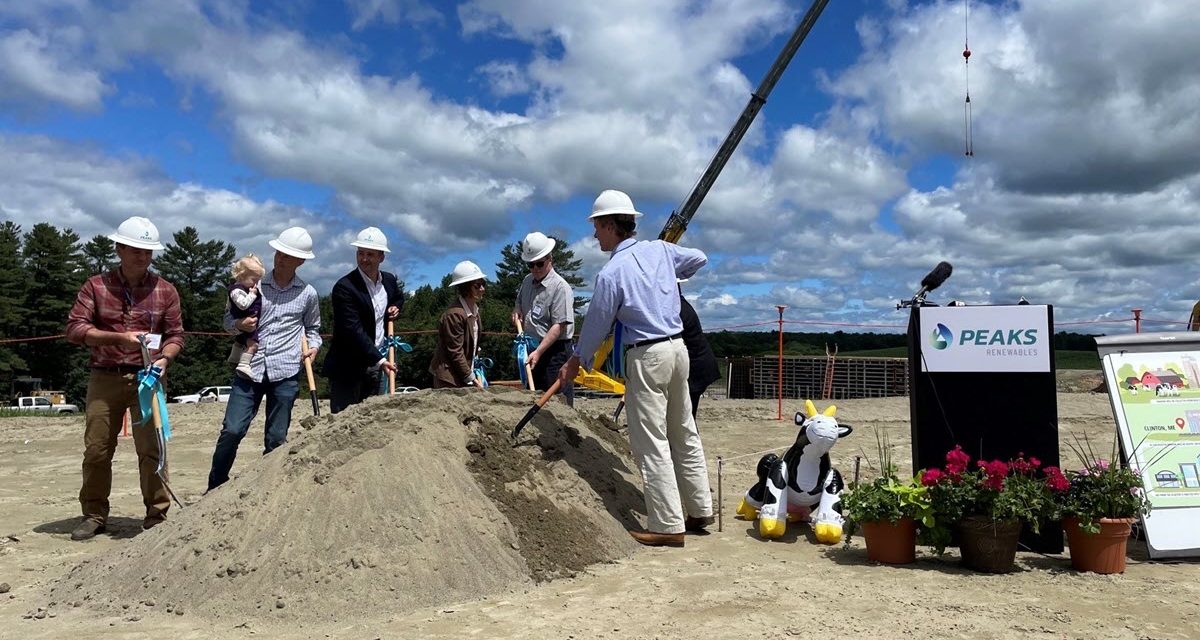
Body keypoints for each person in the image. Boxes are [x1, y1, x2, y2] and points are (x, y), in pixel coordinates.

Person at [558, 189, 713, 547]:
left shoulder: (612, 273)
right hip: (678, 349)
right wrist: (668, 276)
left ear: (611, 226)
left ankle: (668, 524)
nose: (595, 234)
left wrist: (576, 359)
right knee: (683, 430)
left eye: (597, 226)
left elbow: (597, 324)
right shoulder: (659, 251)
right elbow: (699, 259)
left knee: (651, 440)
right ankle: (699, 508)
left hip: (647, 355)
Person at [64, 216, 184, 541]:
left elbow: (175, 336)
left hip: (149, 378)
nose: (143, 257)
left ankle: (156, 516)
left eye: (148, 252)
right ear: (119, 248)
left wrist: (165, 359)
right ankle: (93, 515)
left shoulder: (166, 291)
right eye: (136, 250)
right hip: (104, 377)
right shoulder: (95, 286)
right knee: (97, 449)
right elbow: (75, 329)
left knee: (152, 449)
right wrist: (117, 339)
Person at [206, 227, 322, 491]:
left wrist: (313, 347)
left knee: (276, 438)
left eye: (288, 256)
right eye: (279, 253)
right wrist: (239, 324)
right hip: (249, 369)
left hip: (286, 372)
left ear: (300, 261)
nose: (280, 259)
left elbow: (313, 329)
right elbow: (227, 322)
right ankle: (214, 487)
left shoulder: (308, 294)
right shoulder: (251, 284)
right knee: (232, 431)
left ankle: (267, 493)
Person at [322, 227, 403, 413]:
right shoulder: (345, 287)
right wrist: (381, 360)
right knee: (343, 419)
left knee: (371, 420)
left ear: (381, 257)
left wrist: (396, 307)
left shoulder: (389, 281)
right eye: (360, 253)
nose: (364, 259)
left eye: (370, 254)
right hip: (348, 367)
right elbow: (352, 330)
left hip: (377, 363)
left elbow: (398, 297)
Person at [512, 231, 575, 406]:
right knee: (534, 398)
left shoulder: (560, 288)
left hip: (555, 353)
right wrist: (517, 309)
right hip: (532, 349)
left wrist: (539, 352)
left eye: (539, 264)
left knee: (557, 402)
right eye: (530, 265)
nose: (535, 269)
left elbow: (559, 326)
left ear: (550, 259)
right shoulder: (527, 281)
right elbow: (518, 301)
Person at [430, 261, 486, 389]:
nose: (482, 289)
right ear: (465, 288)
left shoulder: (475, 311)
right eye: (477, 286)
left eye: (483, 284)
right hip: (449, 379)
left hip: (463, 375)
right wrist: (472, 379)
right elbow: (455, 352)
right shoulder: (454, 315)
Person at [679, 289, 719, 418]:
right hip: (697, 364)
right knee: (685, 416)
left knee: (686, 416)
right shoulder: (680, 304)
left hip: (695, 368)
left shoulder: (676, 307)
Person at [228, 253, 265, 378]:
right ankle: (244, 364)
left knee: (239, 340)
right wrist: (253, 295)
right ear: (242, 276)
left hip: (248, 321)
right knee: (253, 344)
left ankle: (234, 358)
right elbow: (243, 305)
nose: (256, 284)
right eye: (254, 280)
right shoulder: (236, 290)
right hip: (246, 320)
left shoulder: (245, 288)